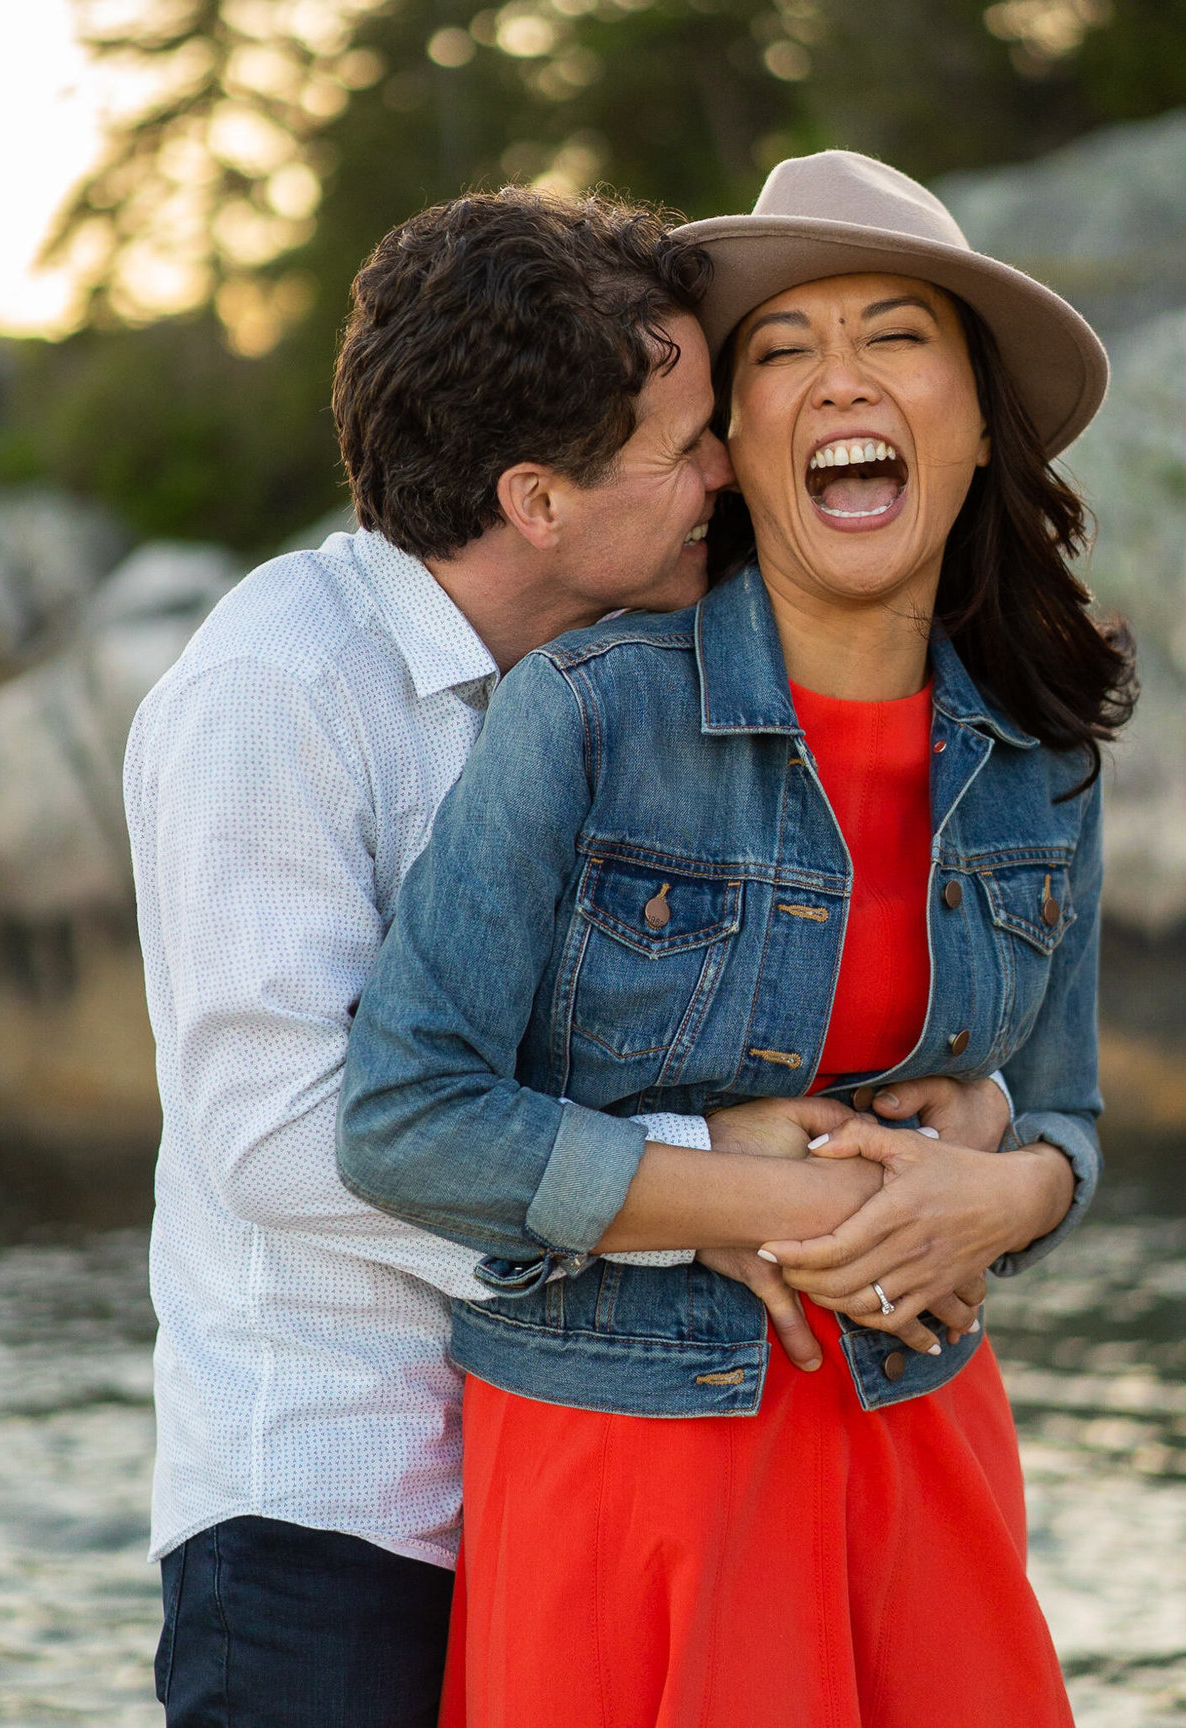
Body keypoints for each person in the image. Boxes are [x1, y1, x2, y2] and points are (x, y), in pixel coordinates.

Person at [337, 151, 1136, 1727]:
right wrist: (781, 1197)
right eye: (783, 350)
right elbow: (405, 1117)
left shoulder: (1039, 753)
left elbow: (1063, 1121)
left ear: (978, 425)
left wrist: (1003, 1194)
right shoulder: (585, 718)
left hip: (927, 1449)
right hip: (634, 1471)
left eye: (899, 334)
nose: (841, 376)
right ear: (736, 445)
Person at [123, 186, 795, 1728]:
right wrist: (704, 1194)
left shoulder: (600, 679)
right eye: (687, 442)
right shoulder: (276, 693)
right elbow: (283, 1140)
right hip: (327, 1521)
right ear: (539, 500)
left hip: (560, 1477)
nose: (723, 474)